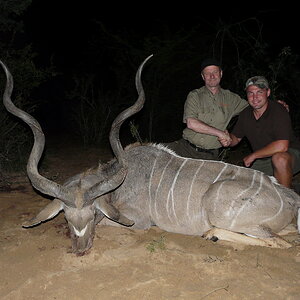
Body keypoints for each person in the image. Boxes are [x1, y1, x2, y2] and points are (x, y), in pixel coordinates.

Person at [219, 76, 300, 188]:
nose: (255, 97)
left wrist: (253, 156)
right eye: (250, 93)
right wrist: (228, 140)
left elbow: (282, 146)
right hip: (263, 159)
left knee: (279, 159)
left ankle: (287, 199)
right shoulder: (245, 114)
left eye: (259, 92)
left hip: (291, 155)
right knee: (243, 184)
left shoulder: (278, 109)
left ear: (268, 92)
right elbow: (236, 138)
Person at [166, 58, 248, 160]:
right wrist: (220, 133)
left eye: (215, 72)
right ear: (202, 76)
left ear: (221, 73)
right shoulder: (194, 95)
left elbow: (255, 107)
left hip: (209, 156)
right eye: (207, 73)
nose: (212, 76)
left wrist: (272, 104)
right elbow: (191, 123)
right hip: (184, 149)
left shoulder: (231, 98)